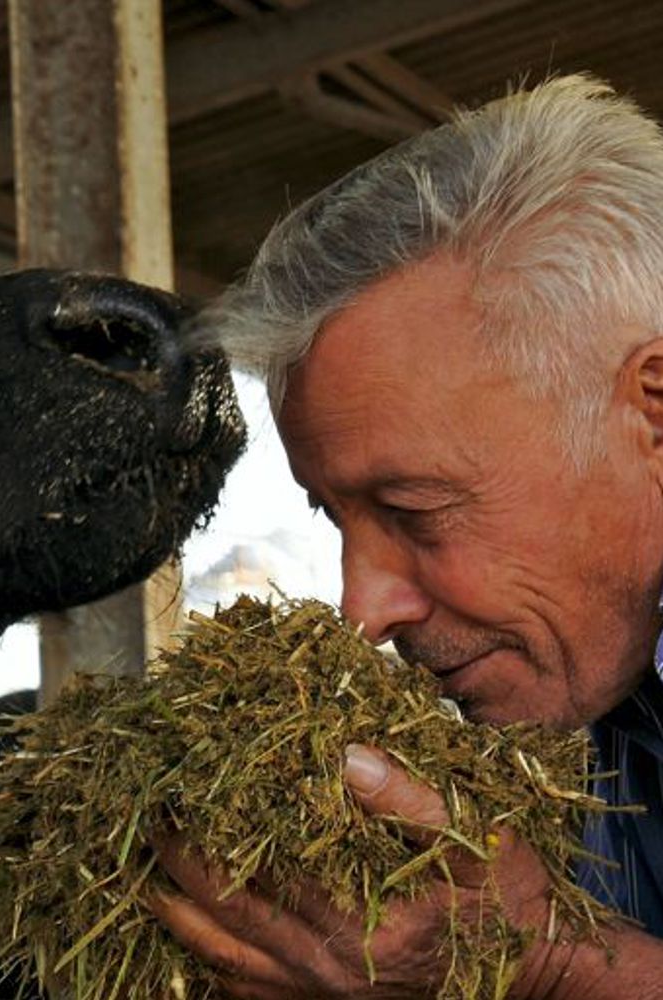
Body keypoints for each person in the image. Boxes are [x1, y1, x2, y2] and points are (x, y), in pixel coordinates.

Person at [153, 75, 663, 998]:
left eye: (418, 510)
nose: (364, 610)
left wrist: (540, 964)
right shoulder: (564, 697)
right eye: (333, 516)